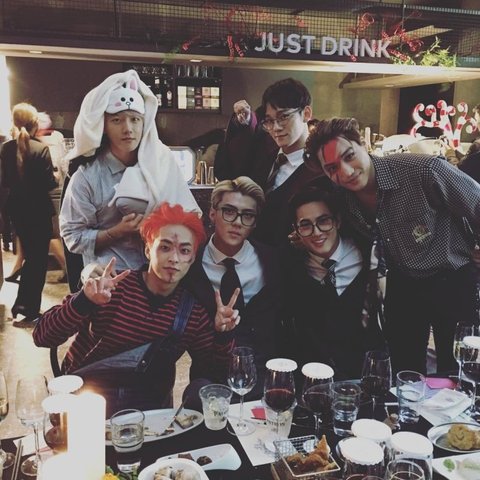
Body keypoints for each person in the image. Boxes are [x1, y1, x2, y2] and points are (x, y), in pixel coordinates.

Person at [304, 117, 480, 375]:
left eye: (349, 156)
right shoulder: (342, 197)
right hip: (403, 282)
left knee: (459, 367)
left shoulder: (423, 170)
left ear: (362, 144)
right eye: (332, 168)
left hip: (452, 279)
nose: (346, 172)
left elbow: (476, 202)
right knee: (403, 370)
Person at [33, 203, 237, 417]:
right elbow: (42, 336)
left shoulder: (192, 312)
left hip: (150, 415)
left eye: (184, 251)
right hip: (86, 407)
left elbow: (213, 373)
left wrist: (223, 334)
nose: (174, 259)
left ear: (192, 258)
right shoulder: (113, 287)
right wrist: (84, 300)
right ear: (148, 250)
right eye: (165, 247)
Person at [60, 69, 199, 289]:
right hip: (111, 283)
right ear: (104, 126)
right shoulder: (87, 177)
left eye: (135, 120)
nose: (128, 129)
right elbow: (72, 237)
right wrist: (115, 232)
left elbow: (188, 219)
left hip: (161, 284)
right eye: (117, 120)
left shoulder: (161, 164)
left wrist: (161, 223)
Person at [183, 176, 283, 401]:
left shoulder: (272, 260)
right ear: (212, 213)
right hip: (209, 377)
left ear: (254, 223)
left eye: (247, 215)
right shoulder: (190, 262)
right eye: (229, 211)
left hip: (265, 377)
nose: (237, 222)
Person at [284, 188, 383, 379]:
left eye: (323, 221)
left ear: (337, 221)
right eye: (305, 225)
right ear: (296, 230)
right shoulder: (291, 268)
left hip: (367, 375)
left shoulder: (369, 257)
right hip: (315, 379)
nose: (316, 232)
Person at [214, 78, 327, 246]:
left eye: (284, 117)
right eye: (269, 120)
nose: (276, 127)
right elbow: (232, 165)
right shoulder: (266, 153)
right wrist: (244, 120)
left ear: (306, 113)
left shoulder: (320, 171)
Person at [0, 103, 58, 326]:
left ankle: (23, 306)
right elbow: (49, 183)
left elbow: (6, 181)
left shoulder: (6, 149)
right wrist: (54, 176)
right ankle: (28, 309)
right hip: (39, 210)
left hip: (17, 210)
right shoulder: (40, 148)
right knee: (37, 261)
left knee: (30, 258)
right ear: (35, 124)